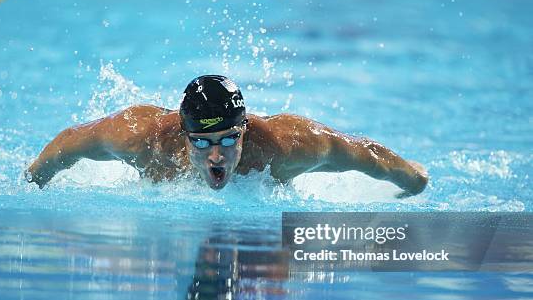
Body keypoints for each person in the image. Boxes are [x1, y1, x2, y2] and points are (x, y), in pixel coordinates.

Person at [25, 75, 428, 196]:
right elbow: (69, 143)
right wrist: (33, 181)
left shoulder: (285, 147)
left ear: (245, 129)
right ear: (183, 134)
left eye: (228, 140)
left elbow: (362, 153)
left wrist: (413, 179)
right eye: (201, 142)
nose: (216, 155)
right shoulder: (140, 138)